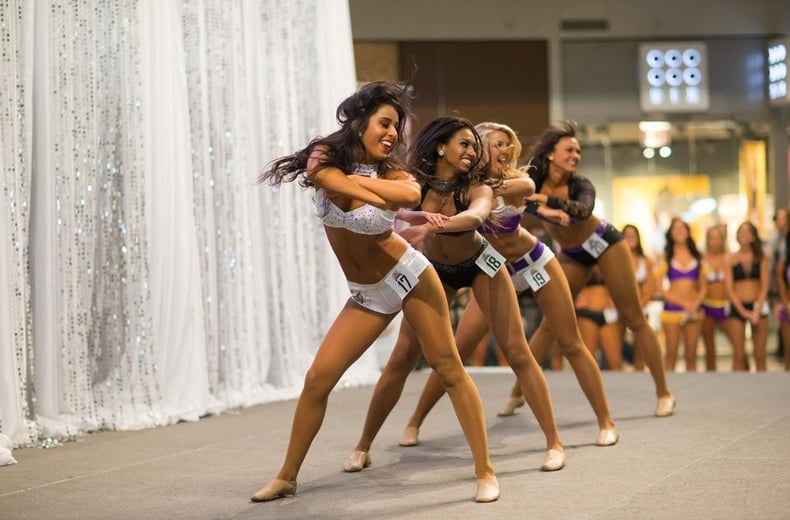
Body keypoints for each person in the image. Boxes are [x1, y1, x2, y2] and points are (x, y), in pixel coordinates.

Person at [251, 83, 498, 503]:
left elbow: (407, 194)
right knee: (317, 380)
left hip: (408, 275)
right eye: (385, 123)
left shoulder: (394, 173)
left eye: (397, 128)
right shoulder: (326, 155)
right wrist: (370, 192)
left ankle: (486, 472)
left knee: (448, 368)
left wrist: (361, 189)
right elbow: (319, 173)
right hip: (365, 293)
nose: (392, 134)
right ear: (358, 119)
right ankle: (287, 476)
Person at [344, 117, 566, 477]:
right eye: (464, 144)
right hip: (433, 270)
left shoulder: (475, 187)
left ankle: (554, 443)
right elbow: (388, 201)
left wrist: (433, 224)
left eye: (474, 147)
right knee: (402, 357)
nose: (471, 152)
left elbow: (477, 217)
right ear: (442, 147)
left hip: (481, 264)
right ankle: (363, 445)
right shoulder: (414, 182)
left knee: (517, 351)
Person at [395, 121, 616, 449]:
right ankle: (414, 421)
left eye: (507, 144)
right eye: (495, 144)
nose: (505, 150)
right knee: (458, 349)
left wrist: (501, 191)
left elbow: (525, 187)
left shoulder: (512, 180)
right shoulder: (463, 184)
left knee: (570, 341)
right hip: (491, 271)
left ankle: (605, 422)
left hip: (534, 262)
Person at [499, 121, 675, 416]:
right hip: (572, 253)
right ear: (552, 154)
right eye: (569, 149)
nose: (575, 155)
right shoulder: (532, 179)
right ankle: (518, 393)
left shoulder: (581, 185)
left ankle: (664, 392)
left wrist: (543, 201)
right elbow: (519, 201)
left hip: (603, 242)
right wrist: (541, 206)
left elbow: (582, 210)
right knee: (551, 323)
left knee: (633, 317)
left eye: (578, 151)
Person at [655, 218, 707, 372]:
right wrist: (682, 303)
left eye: (682, 228)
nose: (679, 232)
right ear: (670, 234)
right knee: (671, 355)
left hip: (694, 310)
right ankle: (667, 392)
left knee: (691, 355)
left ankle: (692, 391)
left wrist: (695, 303)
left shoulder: (697, 256)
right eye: (675, 229)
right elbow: (659, 287)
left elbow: (704, 287)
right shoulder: (665, 257)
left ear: (688, 231)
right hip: (672, 310)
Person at [724, 221, 770, 371]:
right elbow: (729, 288)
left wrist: (757, 308)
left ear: (753, 236)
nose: (744, 234)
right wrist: (743, 311)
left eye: (748, 231)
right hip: (738, 307)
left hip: (758, 305)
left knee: (760, 355)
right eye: (741, 231)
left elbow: (764, 285)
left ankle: (763, 389)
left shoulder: (761, 257)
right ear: (737, 236)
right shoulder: (730, 259)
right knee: (738, 355)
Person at [619, 224, 656, 371]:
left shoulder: (645, 261)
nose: (630, 238)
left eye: (633, 235)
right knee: (617, 349)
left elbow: (651, 287)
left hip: (640, 307)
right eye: (626, 235)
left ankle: (639, 376)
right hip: (618, 308)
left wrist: (640, 305)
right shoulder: (615, 259)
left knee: (640, 351)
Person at [575, 266, 623, 370]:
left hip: (609, 313)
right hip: (587, 313)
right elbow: (566, 281)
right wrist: (576, 298)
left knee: (616, 363)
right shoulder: (579, 256)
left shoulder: (611, 256)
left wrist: (615, 297)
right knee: (589, 361)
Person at [700, 224, 732, 371]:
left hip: (726, 306)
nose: (715, 242)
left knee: (737, 346)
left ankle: (745, 376)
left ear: (723, 240)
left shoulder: (730, 258)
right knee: (709, 349)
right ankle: (710, 380)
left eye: (718, 238)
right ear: (707, 240)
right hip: (707, 306)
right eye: (712, 239)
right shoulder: (702, 259)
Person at [775, 228, 790, 370]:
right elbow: (781, 287)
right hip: (787, 308)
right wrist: (787, 306)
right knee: (789, 355)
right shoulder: (783, 262)